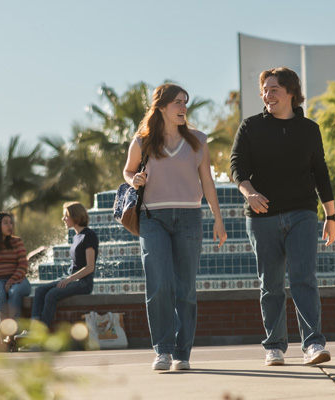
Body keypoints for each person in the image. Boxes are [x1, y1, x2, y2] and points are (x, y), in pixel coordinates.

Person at [230, 67, 335, 366]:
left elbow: (321, 173)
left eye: (274, 89)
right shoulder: (250, 127)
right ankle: (274, 346)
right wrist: (248, 191)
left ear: (291, 92)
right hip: (262, 217)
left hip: (302, 212)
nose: (267, 94)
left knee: (304, 278)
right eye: (264, 89)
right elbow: (236, 166)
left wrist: (331, 215)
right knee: (271, 283)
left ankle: (313, 344)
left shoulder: (309, 129)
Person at [123, 83, 226, 371]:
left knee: (185, 289)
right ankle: (163, 351)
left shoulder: (198, 140)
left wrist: (218, 219)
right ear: (162, 107)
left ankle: (182, 354)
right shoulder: (142, 141)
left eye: (185, 102)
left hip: (190, 218)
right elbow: (128, 170)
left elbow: (208, 181)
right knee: (159, 284)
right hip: (152, 218)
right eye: (177, 102)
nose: (183, 107)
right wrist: (134, 180)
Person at [29, 202, 98, 330]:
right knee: (40, 291)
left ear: (75, 216)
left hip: (84, 282)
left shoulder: (89, 236)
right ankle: (34, 329)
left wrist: (68, 279)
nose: (63, 219)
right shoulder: (77, 236)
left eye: (66, 216)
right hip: (72, 278)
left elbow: (90, 267)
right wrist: (67, 278)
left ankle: (40, 333)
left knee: (51, 294)